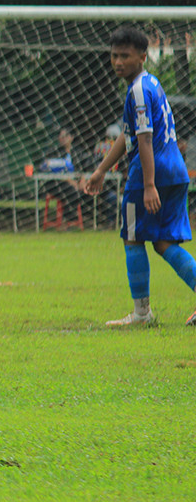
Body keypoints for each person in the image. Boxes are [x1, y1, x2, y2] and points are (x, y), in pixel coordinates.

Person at [83, 26, 196, 327]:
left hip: (151, 173)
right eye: (114, 56)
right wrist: (101, 170)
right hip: (174, 170)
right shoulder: (151, 83)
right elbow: (128, 135)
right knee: (162, 243)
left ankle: (142, 314)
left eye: (125, 56)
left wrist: (147, 185)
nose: (118, 62)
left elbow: (144, 140)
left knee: (133, 238)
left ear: (143, 56)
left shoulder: (137, 91)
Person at [39, 127, 90, 226]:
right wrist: (72, 182)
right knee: (70, 190)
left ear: (71, 137)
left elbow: (83, 169)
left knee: (85, 190)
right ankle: (68, 220)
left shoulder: (77, 153)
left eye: (65, 136)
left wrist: (82, 181)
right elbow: (52, 169)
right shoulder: (54, 151)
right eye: (61, 136)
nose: (62, 139)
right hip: (56, 183)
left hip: (75, 182)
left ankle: (80, 219)